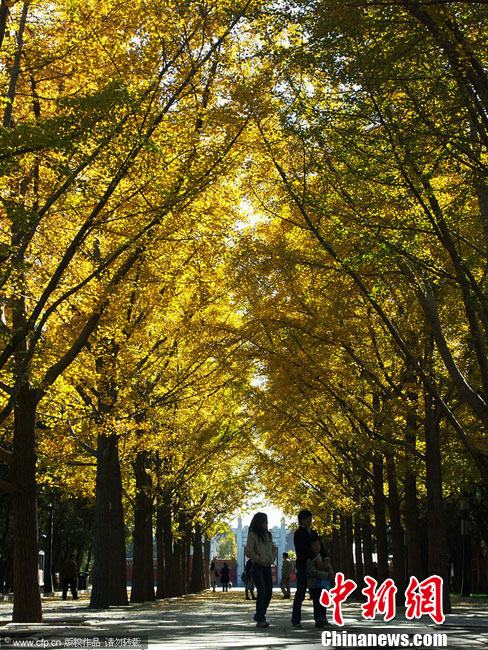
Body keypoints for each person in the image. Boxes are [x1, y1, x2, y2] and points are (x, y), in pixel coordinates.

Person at [245, 512, 274, 628]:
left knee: (269, 592)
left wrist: (271, 558)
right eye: (265, 522)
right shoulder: (253, 535)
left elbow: (272, 549)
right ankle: (261, 619)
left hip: (267, 566)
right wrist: (258, 559)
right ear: (259, 522)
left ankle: (259, 614)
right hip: (257, 566)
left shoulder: (268, 535)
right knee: (262, 591)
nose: (266, 524)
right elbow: (248, 551)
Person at [291, 508, 316, 628]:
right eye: (308, 518)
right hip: (303, 566)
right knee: (300, 593)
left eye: (311, 518)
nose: (311, 520)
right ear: (302, 520)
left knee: (318, 593)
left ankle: (320, 618)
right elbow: (302, 550)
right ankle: (296, 620)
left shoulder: (314, 532)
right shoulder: (298, 533)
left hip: (316, 566)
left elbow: (320, 548)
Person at [307, 533, 334, 628]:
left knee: (324, 601)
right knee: (317, 602)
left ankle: (323, 618)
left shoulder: (324, 557)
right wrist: (325, 574)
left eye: (318, 544)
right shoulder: (310, 558)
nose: (316, 547)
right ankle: (318, 619)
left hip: (324, 584)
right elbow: (311, 572)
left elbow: (329, 568)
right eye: (314, 545)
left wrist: (330, 574)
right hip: (314, 584)